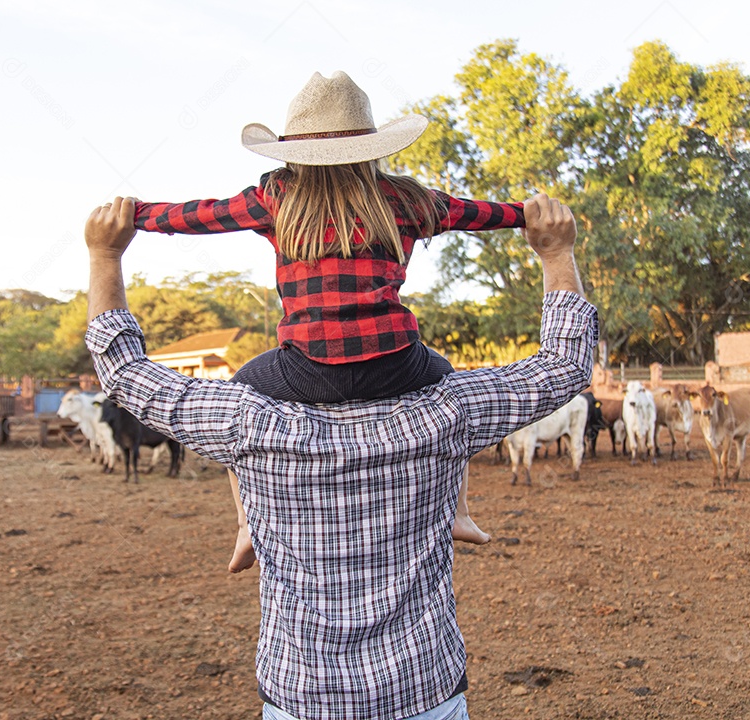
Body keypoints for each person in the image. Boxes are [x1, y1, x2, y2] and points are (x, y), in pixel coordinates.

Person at [84, 191, 598, 720]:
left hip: (302, 697)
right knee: (437, 369)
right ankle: (456, 510)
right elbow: (566, 363)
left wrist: (106, 257)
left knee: (249, 383)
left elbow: (125, 374)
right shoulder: (447, 413)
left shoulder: (249, 420)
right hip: (422, 692)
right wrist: (555, 252)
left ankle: (248, 524)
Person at [129, 71, 528, 571]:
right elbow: (480, 214)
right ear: (371, 148)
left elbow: (197, 215)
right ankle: (460, 511)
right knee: (446, 387)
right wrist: (527, 214)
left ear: (292, 154)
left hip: (306, 370)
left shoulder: (278, 197)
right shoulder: (406, 198)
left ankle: (246, 524)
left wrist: (135, 214)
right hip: (397, 363)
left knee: (241, 399)